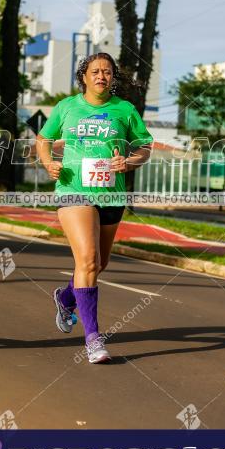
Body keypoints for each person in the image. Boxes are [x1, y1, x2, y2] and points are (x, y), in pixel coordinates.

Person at [36, 53, 152, 364]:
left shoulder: (124, 110)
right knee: (86, 260)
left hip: (112, 195)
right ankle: (93, 339)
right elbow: (43, 139)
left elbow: (145, 147)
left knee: (99, 264)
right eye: (96, 71)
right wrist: (48, 163)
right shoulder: (67, 107)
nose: (102, 76)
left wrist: (129, 161)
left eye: (108, 72)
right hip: (74, 191)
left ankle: (66, 297)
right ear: (84, 77)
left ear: (113, 78)